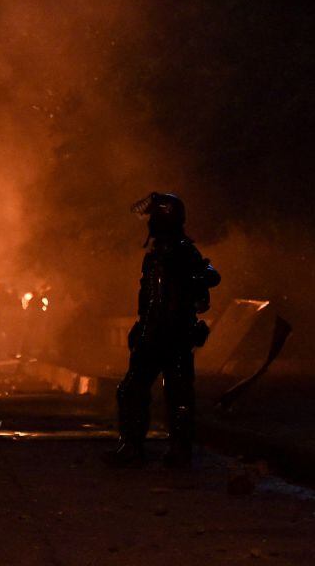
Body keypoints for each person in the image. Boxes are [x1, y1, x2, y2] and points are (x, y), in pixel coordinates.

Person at [105, 192, 220, 468]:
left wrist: (194, 277)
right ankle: (135, 446)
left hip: (173, 334)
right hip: (154, 332)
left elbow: (209, 278)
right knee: (134, 390)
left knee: (174, 393)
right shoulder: (158, 252)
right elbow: (149, 297)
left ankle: (177, 450)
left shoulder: (182, 250)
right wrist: (140, 326)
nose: (149, 223)